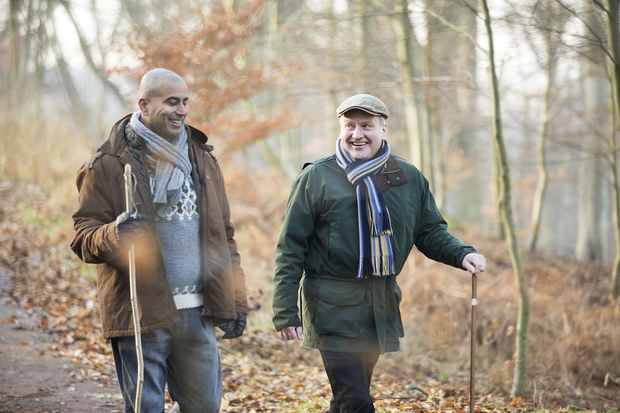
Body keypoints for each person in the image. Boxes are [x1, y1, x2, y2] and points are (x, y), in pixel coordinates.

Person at [272, 94, 486, 413]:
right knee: (357, 402)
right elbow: (291, 246)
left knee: (346, 400)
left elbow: (428, 231)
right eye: (350, 125)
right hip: (331, 307)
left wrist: (461, 254)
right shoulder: (317, 177)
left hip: (379, 307)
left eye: (366, 126)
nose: (357, 134)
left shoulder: (408, 178)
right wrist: (285, 309)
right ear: (340, 129)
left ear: (383, 130)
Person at [71, 68, 247, 413]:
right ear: (144, 104)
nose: (181, 110)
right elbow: (82, 237)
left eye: (184, 102)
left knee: (206, 406)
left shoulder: (203, 160)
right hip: (141, 310)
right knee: (145, 408)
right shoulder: (107, 165)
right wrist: (113, 234)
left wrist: (236, 298)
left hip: (198, 312)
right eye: (171, 102)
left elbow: (223, 236)